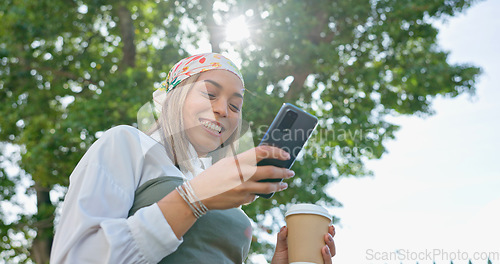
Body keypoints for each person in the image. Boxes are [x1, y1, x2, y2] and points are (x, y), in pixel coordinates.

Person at [50, 53, 336, 263]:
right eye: (210, 93)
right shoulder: (126, 143)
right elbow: (77, 258)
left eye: (236, 106)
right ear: (174, 96)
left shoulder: (221, 189)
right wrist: (192, 199)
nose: (223, 109)